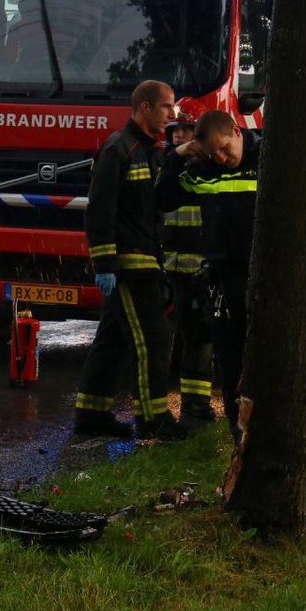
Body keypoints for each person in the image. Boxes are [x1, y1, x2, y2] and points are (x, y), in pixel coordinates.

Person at [74, 79, 187, 441]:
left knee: (113, 339)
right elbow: (99, 209)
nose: (173, 113)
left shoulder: (151, 151)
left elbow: (157, 206)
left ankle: (91, 415)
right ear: (145, 107)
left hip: (147, 260)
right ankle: (153, 419)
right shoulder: (118, 149)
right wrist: (105, 264)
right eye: (167, 106)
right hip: (128, 266)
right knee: (152, 339)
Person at [157, 110, 261, 443]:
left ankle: (264, 427)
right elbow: (164, 198)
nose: (221, 158)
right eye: (213, 153)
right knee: (228, 357)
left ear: (237, 131)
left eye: (224, 149)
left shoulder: (267, 158)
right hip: (223, 278)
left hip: (263, 277)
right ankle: (237, 430)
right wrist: (177, 156)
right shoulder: (204, 169)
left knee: (262, 355)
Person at [160, 101, 216, 432]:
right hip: (166, 272)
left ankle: (196, 407)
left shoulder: (210, 169)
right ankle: (154, 411)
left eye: (186, 129)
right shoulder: (163, 167)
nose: (179, 135)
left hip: (200, 273)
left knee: (200, 339)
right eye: (175, 130)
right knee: (159, 343)